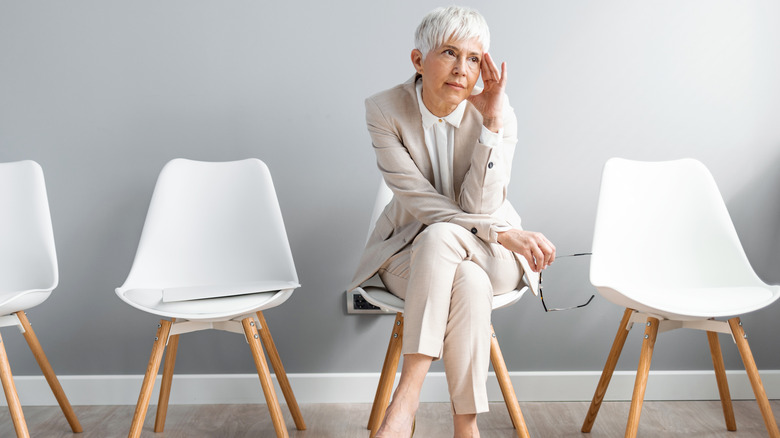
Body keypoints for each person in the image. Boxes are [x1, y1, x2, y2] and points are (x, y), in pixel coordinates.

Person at [349, 6, 556, 438]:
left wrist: (491, 126)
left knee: (450, 243)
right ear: (418, 60)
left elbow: (481, 204)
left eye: (475, 59)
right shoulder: (384, 110)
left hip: (493, 255)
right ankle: (467, 426)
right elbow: (420, 203)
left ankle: (405, 402)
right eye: (449, 53)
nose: (463, 70)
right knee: (465, 277)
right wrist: (504, 232)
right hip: (409, 253)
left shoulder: (498, 115)